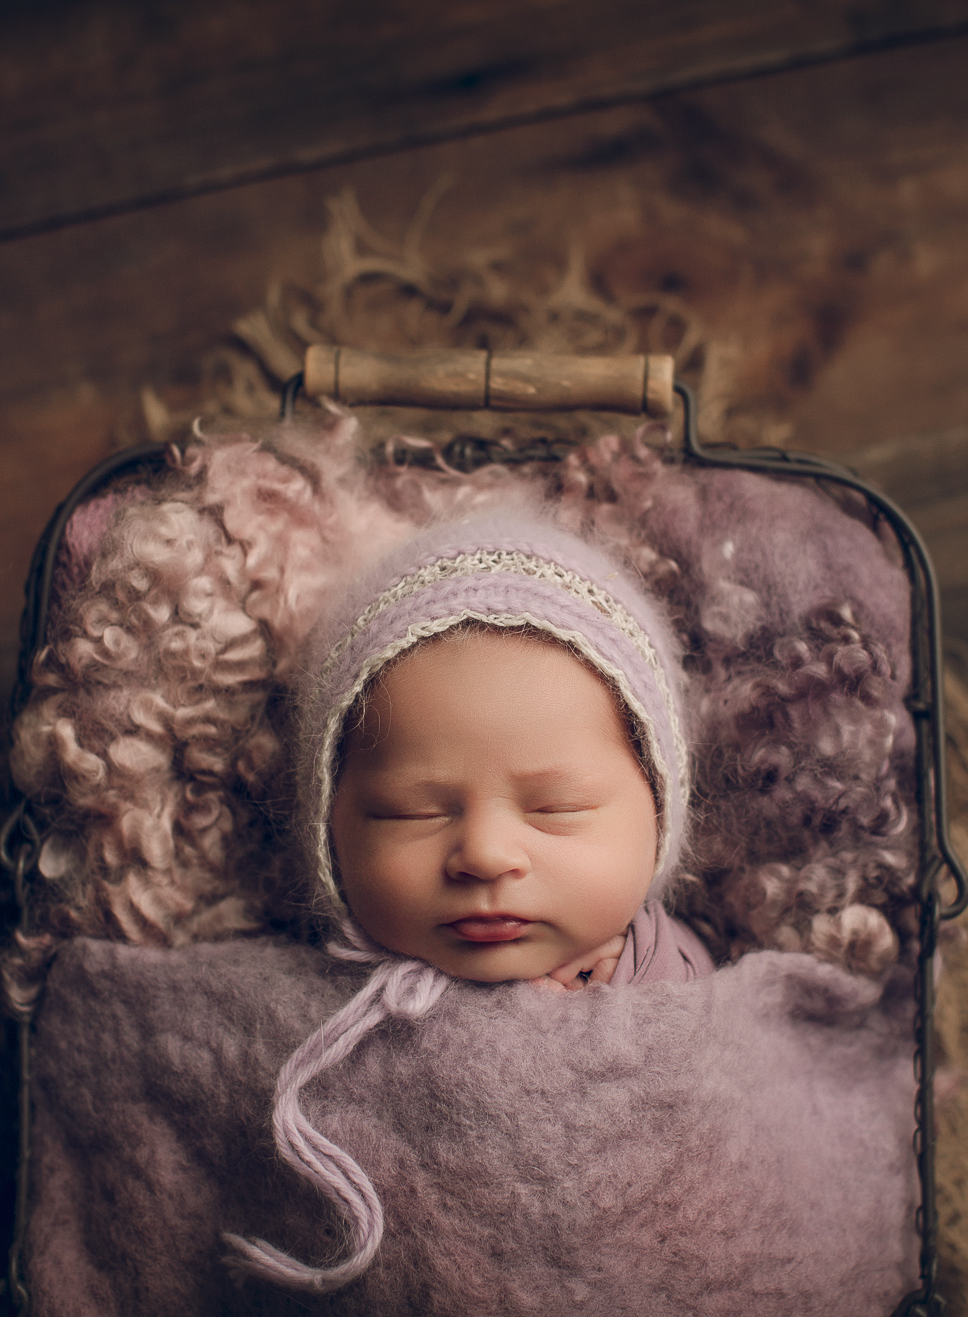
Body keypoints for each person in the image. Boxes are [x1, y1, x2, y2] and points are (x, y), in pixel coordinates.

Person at [224, 509, 713, 1292]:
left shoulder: (676, 975)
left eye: (557, 808)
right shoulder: (307, 1006)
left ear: (658, 815)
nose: (485, 853)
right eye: (412, 812)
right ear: (329, 829)